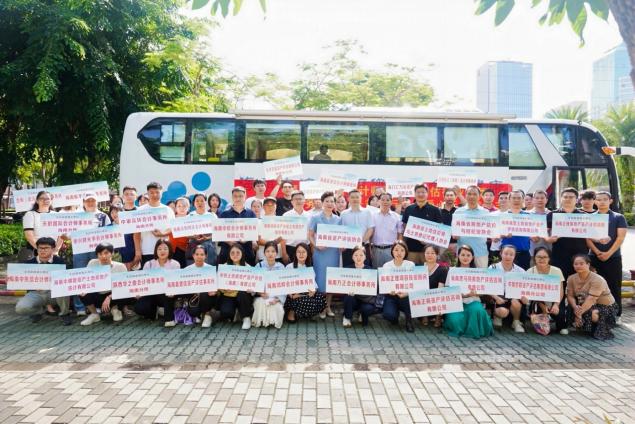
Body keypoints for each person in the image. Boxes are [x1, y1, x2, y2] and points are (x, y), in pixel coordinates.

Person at [586, 191, 627, 323]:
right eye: (599, 199)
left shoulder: (618, 217)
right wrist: (597, 252)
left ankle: (617, 314)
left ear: (610, 201)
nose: (602, 202)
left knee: (614, 285)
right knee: (593, 286)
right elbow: (587, 238)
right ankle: (594, 314)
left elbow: (620, 238)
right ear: (595, 201)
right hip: (594, 257)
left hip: (613, 257)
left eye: (605, 199)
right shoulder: (590, 217)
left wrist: (608, 253)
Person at [15, 237, 71, 325]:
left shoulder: (60, 262)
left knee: (63, 290)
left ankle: (64, 314)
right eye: (40, 248)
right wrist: (12, 280)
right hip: (36, 293)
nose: (42, 250)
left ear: (53, 249)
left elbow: (67, 279)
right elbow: (22, 280)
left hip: (54, 293)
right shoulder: (29, 263)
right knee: (20, 308)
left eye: (46, 248)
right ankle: (38, 312)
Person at [443, 245, 494, 339]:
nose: (465, 257)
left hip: (473, 300)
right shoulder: (453, 270)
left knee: (477, 311)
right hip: (457, 302)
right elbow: (448, 290)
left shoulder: (478, 272)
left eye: (468, 255)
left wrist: (476, 293)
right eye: (462, 255)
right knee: (455, 320)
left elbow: (483, 291)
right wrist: (463, 295)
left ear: (472, 257)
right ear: (458, 256)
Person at [566, 254, 617, 340]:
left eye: (581, 263)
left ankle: (603, 327)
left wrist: (579, 314)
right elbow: (570, 296)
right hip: (585, 304)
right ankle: (585, 325)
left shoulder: (598, 279)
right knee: (571, 308)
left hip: (605, 306)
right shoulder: (571, 278)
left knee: (593, 314)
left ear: (588, 264)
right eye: (576, 264)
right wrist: (575, 307)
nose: (578, 266)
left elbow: (592, 299)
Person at [79, 243, 129, 326]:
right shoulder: (92, 263)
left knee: (124, 293)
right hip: (98, 294)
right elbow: (85, 280)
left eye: (106, 253)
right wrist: (84, 289)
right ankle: (94, 314)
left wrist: (109, 297)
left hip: (113, 295)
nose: (103, 256)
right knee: (81, 291)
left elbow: (124, 287)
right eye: (100, 254)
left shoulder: (120, 266)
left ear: (112, 253)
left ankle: (116, 310)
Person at [308, 191, 341, 317]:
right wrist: (316, 245)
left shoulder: (338, 219)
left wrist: (343, 245)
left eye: (332, 201)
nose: (329, 203)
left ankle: (328, 307)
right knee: (320, 280)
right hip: (320, 253)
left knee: (331, 280)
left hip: (333, 253)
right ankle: (321, 307)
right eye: (327, 201)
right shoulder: (315, 218)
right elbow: (310, 235)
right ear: (322, 203)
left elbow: (342, 236)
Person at [135, 239, 181, 322]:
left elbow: (177, 282)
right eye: (159, 249)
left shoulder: (175, 264)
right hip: (152, 293)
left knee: (167, 295)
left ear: (169, 250)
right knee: (140, 308)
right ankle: (155, 310)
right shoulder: (149, 264)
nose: (162, 251)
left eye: (165, 249)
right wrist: (140, 292)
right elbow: (143, 282)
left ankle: (169, 319)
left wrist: (174, 291)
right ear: (156, 251)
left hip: (168, 294)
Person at [214, 244, 255, 330]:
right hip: (228, 295)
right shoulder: (224, 267)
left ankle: (246, 317)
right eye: (232, 253)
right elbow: (218, 283)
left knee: (242, 294)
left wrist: (251, 290)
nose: (235, 255)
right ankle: (235, 312)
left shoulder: (247, 267)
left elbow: (254, 286)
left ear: (242, 253)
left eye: (237, 253)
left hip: (242, 296)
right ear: (229, 254)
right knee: (226, 312)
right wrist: (224, 289)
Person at [526, 247, 566, 335]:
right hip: (538, 302)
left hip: (554, 299)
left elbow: (561, 290)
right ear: (534, 258)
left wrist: (556, 305)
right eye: (539, 257)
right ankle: (542, 318)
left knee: (560, 316)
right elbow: (530, 292)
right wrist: (543, 306)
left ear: (549, 258)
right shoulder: (530, 271)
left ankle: (561, 324)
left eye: (545, 257)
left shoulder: (556, 271)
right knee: (543, 331)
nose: (542, 259)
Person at [488, 245, 527, 332]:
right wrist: (496, 297)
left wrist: (525, 297)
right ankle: (497, 316)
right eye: (505, 253)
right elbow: (487, 287)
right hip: (499, 297)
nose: (508, 256)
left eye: (511, 254)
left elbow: (525, 288)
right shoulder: (493, 268)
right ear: (501, 253)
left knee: (515, 302)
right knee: (502, 312)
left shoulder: (520, 271)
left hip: (514, 297)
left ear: (514, 256)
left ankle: (516, 322)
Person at [284, 243, 326, 322]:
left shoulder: (309, 268)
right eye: (299, 252)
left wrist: (313, 291)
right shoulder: (289, 267)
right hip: (292, 295)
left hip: (304, 294)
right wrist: (291, 295)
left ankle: (307, 314)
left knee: (320, 298)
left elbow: (313, 284)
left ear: (308, 254)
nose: (301, 254)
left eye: (303, 252)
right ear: (295, 254)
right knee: (303, 300)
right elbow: (284, 285)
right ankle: (291, 312)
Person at [381, 240, 417, 333]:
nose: (399, 253)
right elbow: (384, 284)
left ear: (406, 252)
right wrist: (389, 291)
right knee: (389, 315)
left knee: (407, 299)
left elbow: (414, 283)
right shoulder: (386, 266)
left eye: (402, 250)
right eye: (396, 250)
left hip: (405, 296)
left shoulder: (410, 265)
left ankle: (409, 321)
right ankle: (394, 317)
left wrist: (407, 293)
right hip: (391, 296)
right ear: (392, 251)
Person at [401, 184, 442, 265]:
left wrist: (428, 239)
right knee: (412, 271)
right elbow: (405, 226)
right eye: (418, 192)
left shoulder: (435, 210)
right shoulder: (409, 209)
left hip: (429, 250)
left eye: (423, 192)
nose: (420, 194)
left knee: (429, 271)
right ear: (414, 194)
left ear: (427, 194)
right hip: (412, 249)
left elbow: (439, 229)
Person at [138, 182, 176, 267]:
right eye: (151, 192)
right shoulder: (140, 210)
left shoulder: (168, 210)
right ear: (147, 194)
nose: (154, 195)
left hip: (164, 250)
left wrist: (162, 234)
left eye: (157, 192)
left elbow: (173, 228)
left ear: (161, 193)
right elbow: (136, 233)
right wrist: (138, 251)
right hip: (146, 250)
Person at [342, 246, 381, 327]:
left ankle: (362, 314)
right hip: (353, 299)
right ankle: (347, 317)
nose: (358, 258)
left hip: (366, 300)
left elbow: (375, 290)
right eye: (356, 255)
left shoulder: (371, 271)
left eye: (361, 255)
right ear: (352, 257)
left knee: (366, 311)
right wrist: (347, 291)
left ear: (365, 257)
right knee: (348, 298)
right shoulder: (347, 270)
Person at [218, 186, 258, 266]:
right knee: (225, 270)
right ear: (232, 197)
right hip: (228, 248)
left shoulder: (251, 213)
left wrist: (251, 240)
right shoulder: (224, 214)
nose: (238, 198)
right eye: (235, 196)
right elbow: (218, 233)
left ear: (245, 197)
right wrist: (228, 241)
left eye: (240, 196)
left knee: (248, 269)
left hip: (246, 248)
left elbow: (254, 231)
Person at [72, 191, 111, 269]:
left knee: (98, 273)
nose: (90, 203)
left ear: (97, 202)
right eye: (88, 201)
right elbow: (69, 233)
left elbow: (110, 234)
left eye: (93, 200)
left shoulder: (103, 216)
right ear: (83, 203)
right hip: (80, 250)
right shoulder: (76, 216)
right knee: (80, 272)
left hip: (98, 251)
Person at [453, 186, 489, 268]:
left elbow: (491, 231)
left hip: (480, 253)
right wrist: (455, 235)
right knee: (462, 276)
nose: (472, 196)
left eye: (474, 194)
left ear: (479, 196)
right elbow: (454, 231)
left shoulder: (486, 213)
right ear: (465, 195)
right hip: (463, 254)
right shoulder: (458, 212)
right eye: (469, 194)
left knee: (481, 275)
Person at [253, 242, 286, 329]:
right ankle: (263, 321)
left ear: (277, 253)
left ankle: (272, 321)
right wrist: (260, 293)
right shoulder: (259, 266)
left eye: (273, 251)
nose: (270, 254)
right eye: (267, 251)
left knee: (276, 306)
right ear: (264, 253)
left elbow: (285, 287)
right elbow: (254, 284)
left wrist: (277, 299)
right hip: (262, 296)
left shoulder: (281, 267)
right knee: (261, 303)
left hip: (276, 296)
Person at [183, 245, 217, 328]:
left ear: (206, 256)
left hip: (207, 296)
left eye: (202, 254)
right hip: (194, 297)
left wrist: (214, 290)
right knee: (193, 312)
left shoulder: (210, 269)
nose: (199, 257)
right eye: (197, 254)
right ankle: (201, 314)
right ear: (193, 255)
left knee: (204, 294)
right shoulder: (187, 270)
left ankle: (208, 314)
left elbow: (216, 285)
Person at [340, 189, 374, 267]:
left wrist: (361, 242)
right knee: (348, 270)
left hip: (363, 246)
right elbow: (341, 230)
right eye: (352, 197)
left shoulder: (367, 212)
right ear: (348, 199)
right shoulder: (343, 214)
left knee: (364, 270)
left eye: (357, 197)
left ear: (361, 198)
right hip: (348, 247)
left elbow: (370, 229)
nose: (355, 199)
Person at [23, 191, 61, 258]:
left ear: (51, 201)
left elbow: (61, 235)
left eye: (47, 199)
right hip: (35, 250)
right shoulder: (30, 214)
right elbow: (29, 235)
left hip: (53, 251)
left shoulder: (56, 215)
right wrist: (41, 250)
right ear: (37, 201)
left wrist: (56, 250)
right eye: (42, 198)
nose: (45, 200)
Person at [500, 190, 531, 269]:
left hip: (523, 254)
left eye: (519, 198)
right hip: (507, 254)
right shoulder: (502, 216)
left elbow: (535, 235)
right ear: (509, 200)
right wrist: (504, 235)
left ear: (523, 200)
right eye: (514, 198)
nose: (516, 200)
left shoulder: (529, 216)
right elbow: (495, 236)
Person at [371, 192, 403, 269]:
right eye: (382, 200)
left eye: (388, 200)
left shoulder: (397, 217)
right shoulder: (372, 216)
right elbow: (370, 233)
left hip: (391, 250)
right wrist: (370, 250)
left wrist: (399, 249)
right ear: (379, 201)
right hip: (376, 250)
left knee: (391, 273)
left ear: (391, 202)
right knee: (377, 272)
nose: (385, 202)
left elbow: (400, 234)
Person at [187, 193, 217, 266]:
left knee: (208, 268)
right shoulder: (190, 216)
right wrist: (193, 237)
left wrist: (208, 237)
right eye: (197, 201)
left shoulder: (212, 216)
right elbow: (184, 233)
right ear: (194, 203)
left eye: (202, 201)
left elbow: (218, 232)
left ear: (206, 202)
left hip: (209, 244)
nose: (199, 203)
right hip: (193, 244)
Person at [422, 244, 448, 328]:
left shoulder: (442, 270)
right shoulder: (419, 269)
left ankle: (438, 316)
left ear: (437, 255)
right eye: (427, 253)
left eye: (433, 253)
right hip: (423, 299)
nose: (430, 255)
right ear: (424, 254)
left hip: (436, 299)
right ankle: (424, 314)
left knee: (441, 293)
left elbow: (440, 289)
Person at [282, 190, 309, 263]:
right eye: (296, 199)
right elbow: (282, 236)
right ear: (292, 202)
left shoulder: (309, 215)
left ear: (304, 201)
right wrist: (284, 253)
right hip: (291, 248)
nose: (298, 201)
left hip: (306, 248)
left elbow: (311, 234)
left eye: (300, 199)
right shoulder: (286, 216)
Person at [256, 197, 284, 263]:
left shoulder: (281, 221)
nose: (270, 207)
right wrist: (273, 244)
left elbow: (283, 238)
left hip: (278, 255)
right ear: (263, 207)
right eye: (268, 205)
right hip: (263, 256)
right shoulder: (258, 221)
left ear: (276, 206)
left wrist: (284, 254)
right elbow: (258, 240)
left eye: (272, 205)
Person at [120, 186, 142, 270]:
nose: (129, 196)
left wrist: (138, 252)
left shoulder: (140, 212)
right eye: (126, 194)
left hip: (138, 248)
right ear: (123, 196)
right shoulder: (118, 211)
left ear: (136, 196)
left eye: (132, 194)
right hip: (121, 250)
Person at [168, 196, 191, 268]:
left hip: (185, 251)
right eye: (179, 206)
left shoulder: (192, 220)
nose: (182, 208)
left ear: (188, 208)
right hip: (171, 250)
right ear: (175, 208)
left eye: (184, 206)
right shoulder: (170, 219)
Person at [528, 189, 551, 259]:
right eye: (537, 198)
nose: (539, 200)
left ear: (546, 200)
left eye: (542, 198)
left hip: (549, 251)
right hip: (532, 252)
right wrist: (529, 236)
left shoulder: (552, 214)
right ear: (533, 200)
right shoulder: (527, 215)